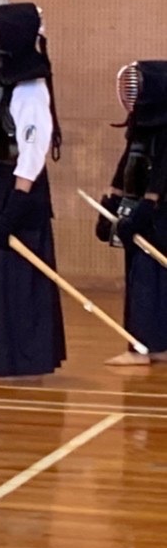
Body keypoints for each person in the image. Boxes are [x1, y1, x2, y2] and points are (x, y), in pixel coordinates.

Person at [0, 2, 66, 378]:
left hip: (20, 191)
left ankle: (19, 360)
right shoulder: (9, 86)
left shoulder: (31, 91)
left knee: (15, 281)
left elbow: (32, 152)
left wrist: (15, 206)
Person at [95, 61, 167, 366]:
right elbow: (126, 162)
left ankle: (145, 348)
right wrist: (111, 200)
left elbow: (162, 171)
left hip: (158, 215)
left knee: (151, 281)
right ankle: (149, 346)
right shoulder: (140, 124)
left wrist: (148, 206)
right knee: (139, 277)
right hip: (137, 208)